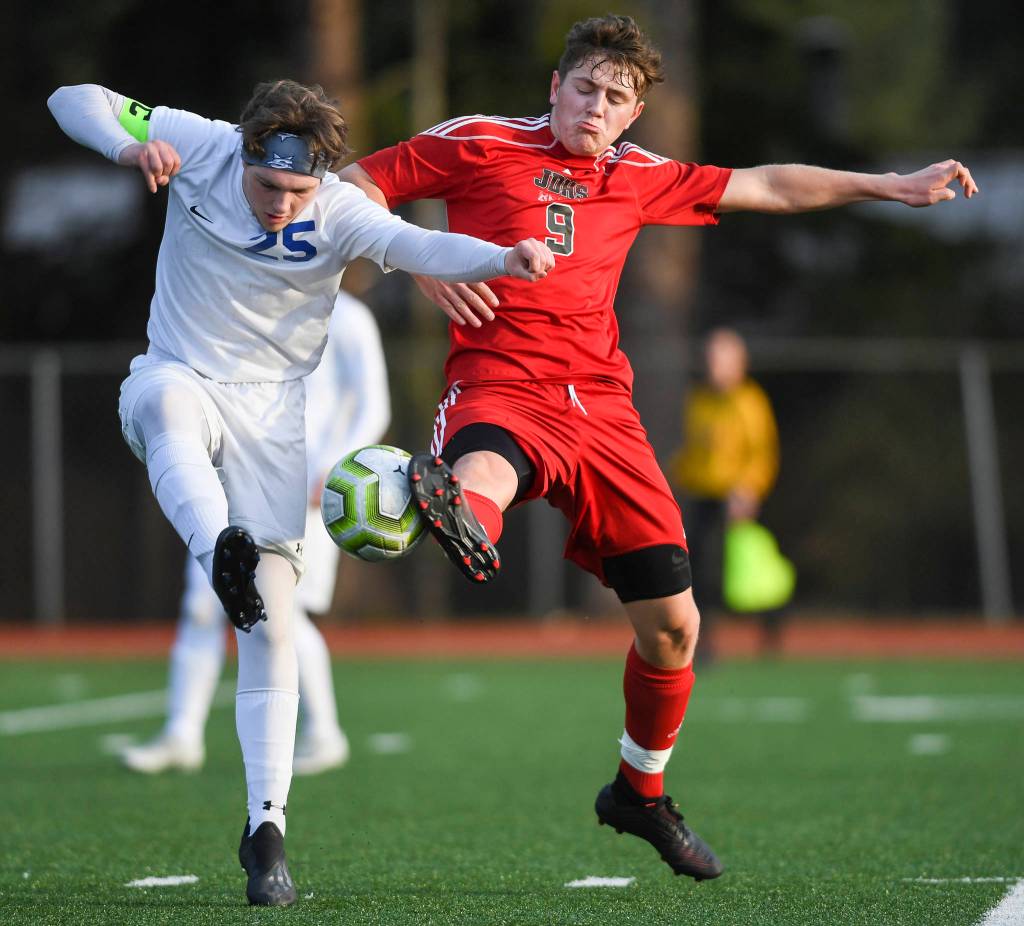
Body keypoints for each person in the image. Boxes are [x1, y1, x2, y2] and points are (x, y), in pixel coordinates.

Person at [339, 13, 977, 881]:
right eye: (585, 88)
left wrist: (893, 185)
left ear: (633, 113)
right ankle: (456, 508)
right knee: (483, 470)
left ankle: (638, 793)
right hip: (501, 385)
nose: (596, 107)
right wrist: (419, 262)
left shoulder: (635, 175)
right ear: (554, 88)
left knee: (676, 628)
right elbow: (350, 186)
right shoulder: (481, 141)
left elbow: (770, 186)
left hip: (603, 411)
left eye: (616, 97)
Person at [47, 79, 554, 907]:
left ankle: (266, 828)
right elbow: (76, 96)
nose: (281, 203)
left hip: (274, 421)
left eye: (298, 189)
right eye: (268, 185)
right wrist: (128, 147)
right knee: (167, 409)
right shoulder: (203, 142)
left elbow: (419, 247)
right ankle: (222, 551)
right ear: (243, 154)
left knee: (272, 632)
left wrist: (504, 258)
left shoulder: (340, 211)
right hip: (179, 369)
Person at [121, 289, 390, 777]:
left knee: (286, 612)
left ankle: (325, 733)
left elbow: (374, 406)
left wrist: (333, 471)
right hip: (233, 476)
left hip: (303, 487)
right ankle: (182, 734)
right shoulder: (251, 302)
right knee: (202, 605)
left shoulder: (350, 318)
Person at [670, 328, 780, 660]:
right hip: (703, 496)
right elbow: (694, 452)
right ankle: (706, 644)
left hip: (736, 501)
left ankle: (771, 630)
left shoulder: (750, 403)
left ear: (739, 363)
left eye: (720, 358)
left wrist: (750, 489)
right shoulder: (699, 401)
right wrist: (670, 477)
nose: (712, 364)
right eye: (710, 357)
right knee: (701, 571)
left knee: (750, 570)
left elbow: (762, 452)